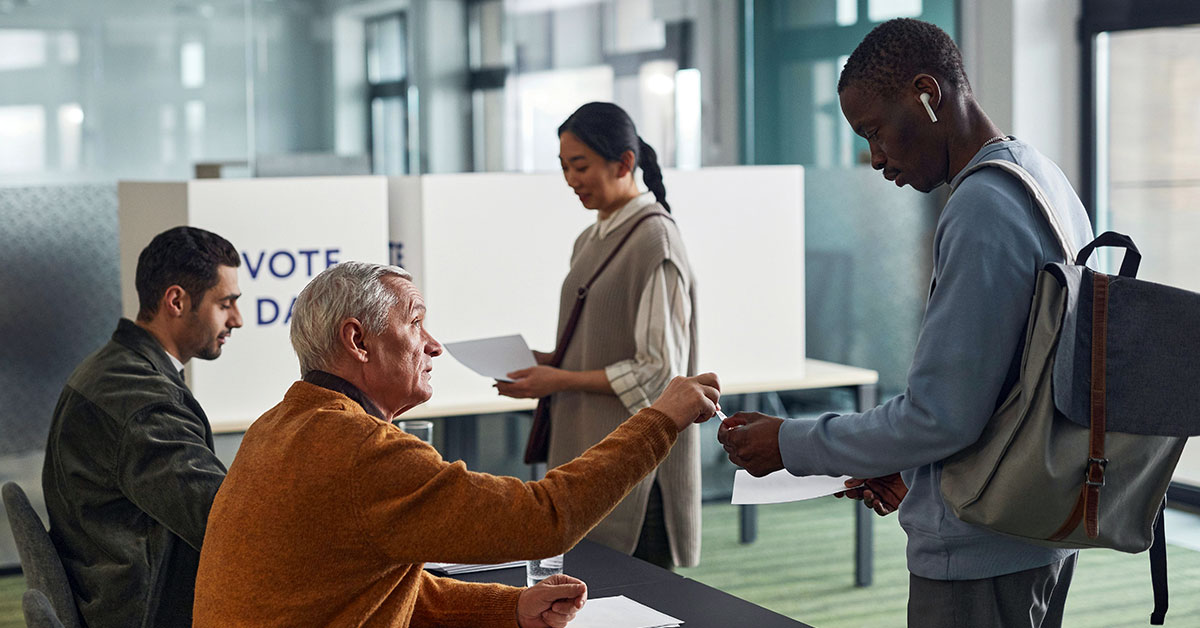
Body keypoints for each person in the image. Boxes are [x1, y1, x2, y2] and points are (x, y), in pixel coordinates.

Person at [718, 18, 1094, 628]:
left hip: (979, 550)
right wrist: (917, 466)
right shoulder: (1040, 178)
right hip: (1035, 523)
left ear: (928, 92)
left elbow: (939, 415)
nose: (874, 158)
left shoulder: (981, 206)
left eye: (875, 131)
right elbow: (1008, 387)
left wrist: (789, 443)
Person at [192, 261, 720, 628]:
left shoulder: (277, 427)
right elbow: (544, 520)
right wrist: (660, 420)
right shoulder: (361, 450)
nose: (434, 345)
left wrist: (509, 610)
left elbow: (374, 588)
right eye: (416, 322)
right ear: (358, 342)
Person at [495, 101, 701, 570]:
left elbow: (658, 375)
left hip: (636, 468)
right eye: (565, 166)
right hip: (590, 456)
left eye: (581, 165)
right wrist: (547, 362)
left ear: (624, 163)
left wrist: (558, 380)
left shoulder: (656, 242)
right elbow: (599, 346)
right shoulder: (592, 238)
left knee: (638, 605)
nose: (571, 179)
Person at [42, 226, 243, 627]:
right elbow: (226, 525)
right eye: (226, 304)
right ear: (176, 301)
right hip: (144, 610)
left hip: (108, 590)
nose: (237, 320)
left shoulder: (116, 367)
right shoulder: (142, 402)